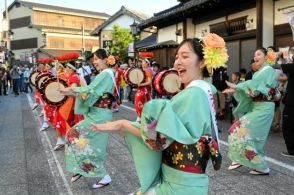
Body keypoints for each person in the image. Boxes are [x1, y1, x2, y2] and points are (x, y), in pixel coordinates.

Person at [92, 36, 224, 194]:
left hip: (178, 185)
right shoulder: (204, 91)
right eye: (177, 57)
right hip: (188, 182)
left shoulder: (193, 94)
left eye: (185, 56)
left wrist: (123, 124)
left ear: (202, 62)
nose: (177, 62)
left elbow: (158, 137)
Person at [59, 49, 116, 189]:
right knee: (90, 143)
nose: (95, 62)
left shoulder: (106, 74)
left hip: (99, 115)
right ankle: (81, 168)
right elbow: (91, 92)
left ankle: (98, 174)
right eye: (94, 60)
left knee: (75, 136)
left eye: (97, 59)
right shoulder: (106, 74)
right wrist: (74, 91)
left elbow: (91, 91)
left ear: (105, 59)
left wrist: (71, 91)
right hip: (98, 114)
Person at [224, 47, 277, 175]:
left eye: (259, 54)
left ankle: (240, 157)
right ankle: (260, 166)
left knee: (238, 129)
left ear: (266, 57)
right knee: (253, 138)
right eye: (254, 55)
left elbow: (254, 84)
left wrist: (237, 86)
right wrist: (238, 90)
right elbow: (253, 89)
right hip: (257, 107)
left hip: (264, 108)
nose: (256, 57)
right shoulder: (258, 72)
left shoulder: (268, 69)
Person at [53, 62, 83, 151]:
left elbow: (74, 92)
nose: (65, 69)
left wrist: (63, 91)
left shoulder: (74, 77)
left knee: (61, 118)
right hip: (68, 102)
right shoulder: (70, 76)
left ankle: (72, 141)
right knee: (62, 119)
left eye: (67, 68)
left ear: (71, 69)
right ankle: (63, 140)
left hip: (72, 102)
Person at [281, 62, 294, 157]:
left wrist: (271, 57)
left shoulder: (292, 67)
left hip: (291, 104)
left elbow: (277, 66)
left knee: (287, 127)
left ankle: (292, 151)